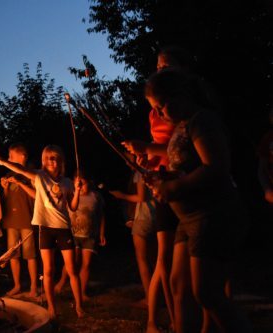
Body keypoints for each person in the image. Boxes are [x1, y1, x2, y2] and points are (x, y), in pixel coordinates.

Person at [145, 69, 251, 333]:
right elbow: (188, 167)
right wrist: (164, 178)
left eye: (160, 107)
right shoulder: (182, 126)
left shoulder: (202, 121)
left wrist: (176, 186)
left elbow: (216, 166)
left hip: (212, 215)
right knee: (180, 285)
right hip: (188, 219)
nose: (158, 115)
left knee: (207, 293)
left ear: (179, 96)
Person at [122, 46, 192, 332]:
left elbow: (180, 149)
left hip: (184, 183)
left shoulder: (188, 110)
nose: (161, 69)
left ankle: (184, 319)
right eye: (158, 66)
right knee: (164, 257)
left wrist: (149, 148)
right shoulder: (155, 114)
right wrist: (145, 158)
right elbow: (162, 150)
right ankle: (157, 321)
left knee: (186, 264)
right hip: (163, 184)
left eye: (167, 65)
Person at [0, 145, 84, 319]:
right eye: (49, 157)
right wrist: (4, 162)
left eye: (55, 157)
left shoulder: (66, 182)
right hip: (46, 229)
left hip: (63, 229)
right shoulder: (39, 177)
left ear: (61, 161)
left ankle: (79, 305)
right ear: (43, 161)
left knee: (72, 269)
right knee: (48, 271)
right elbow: (20, 169)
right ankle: (51, 307)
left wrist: (78, 190)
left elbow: (73, 207)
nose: (52, 160)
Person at [54, 170, 106, 301]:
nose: (80, 186)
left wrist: (102, 233)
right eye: (78, 183)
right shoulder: (71, 195)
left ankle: (82, 292)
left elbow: (101, 216)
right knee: (72, 261)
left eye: (83, 183)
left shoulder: (96, 197)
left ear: (89, 182)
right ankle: (61, 282)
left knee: (86, 264)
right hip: (73, 234)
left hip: (89, 235)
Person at [110, 170, 156, 306]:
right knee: (155, 259)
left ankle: (149, 298)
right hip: (157, 217)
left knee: (142, 260)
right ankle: (157, 294)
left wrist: (121, 195)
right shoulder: (157, 169)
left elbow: (141, 197)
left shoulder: (140, 172)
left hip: (144, 217)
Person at [0, 143, 39, 297]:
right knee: (13, 255)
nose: (9, 158)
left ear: (22, 156)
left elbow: (36, 196)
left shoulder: (31, 174)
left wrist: (20, 183)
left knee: (30, 255)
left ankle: (34, 287)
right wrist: (4, 187)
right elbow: (7, 199)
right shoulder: (9, 174)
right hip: (11, 221)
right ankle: (17, 286)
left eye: (11, 156)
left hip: (27, 219)